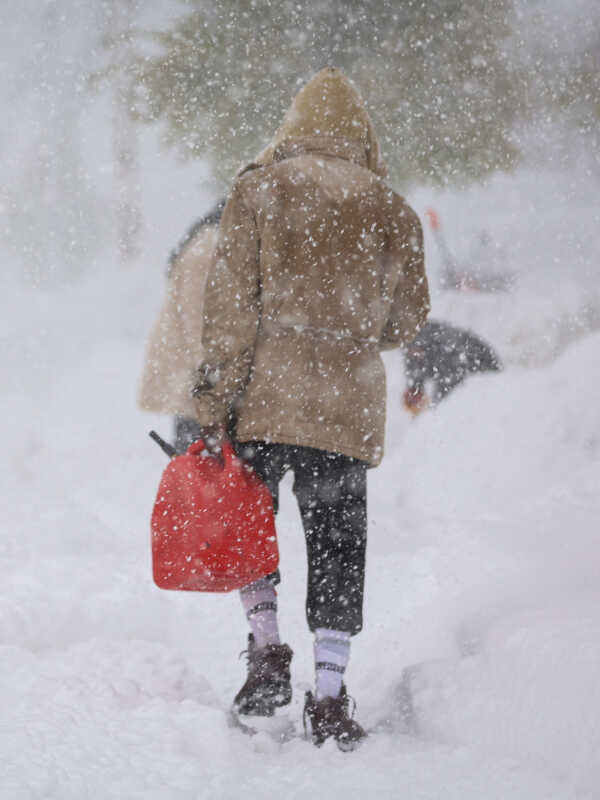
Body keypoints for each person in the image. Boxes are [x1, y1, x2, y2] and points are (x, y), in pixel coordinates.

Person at [192, 67, 430, 749]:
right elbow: (407, 317)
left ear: (293, 125)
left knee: (251, 532)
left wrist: (213, 400)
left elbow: (231, 309)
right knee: (338, 543)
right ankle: (329, 696)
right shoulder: (391, 208)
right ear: (362, 133)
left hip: (265, 399)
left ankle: (266, 656)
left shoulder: (258, 190)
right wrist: (353, 332)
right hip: (344, 411)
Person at [138, 201, 225, 452]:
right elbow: (198, 324)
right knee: (199, 467)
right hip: (195, 379)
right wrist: (213, 379)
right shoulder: (207, 251)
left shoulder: (211, 244)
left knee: (200, 466)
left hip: (196, 379)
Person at [401, 319, 501, 415]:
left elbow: (448, 383)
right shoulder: (411, 350)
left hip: (485, 368)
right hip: (459, 366)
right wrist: (413, 396)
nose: (413, 354)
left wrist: (435, 408)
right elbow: (415, 381)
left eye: (415, 351)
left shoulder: (442, 349)